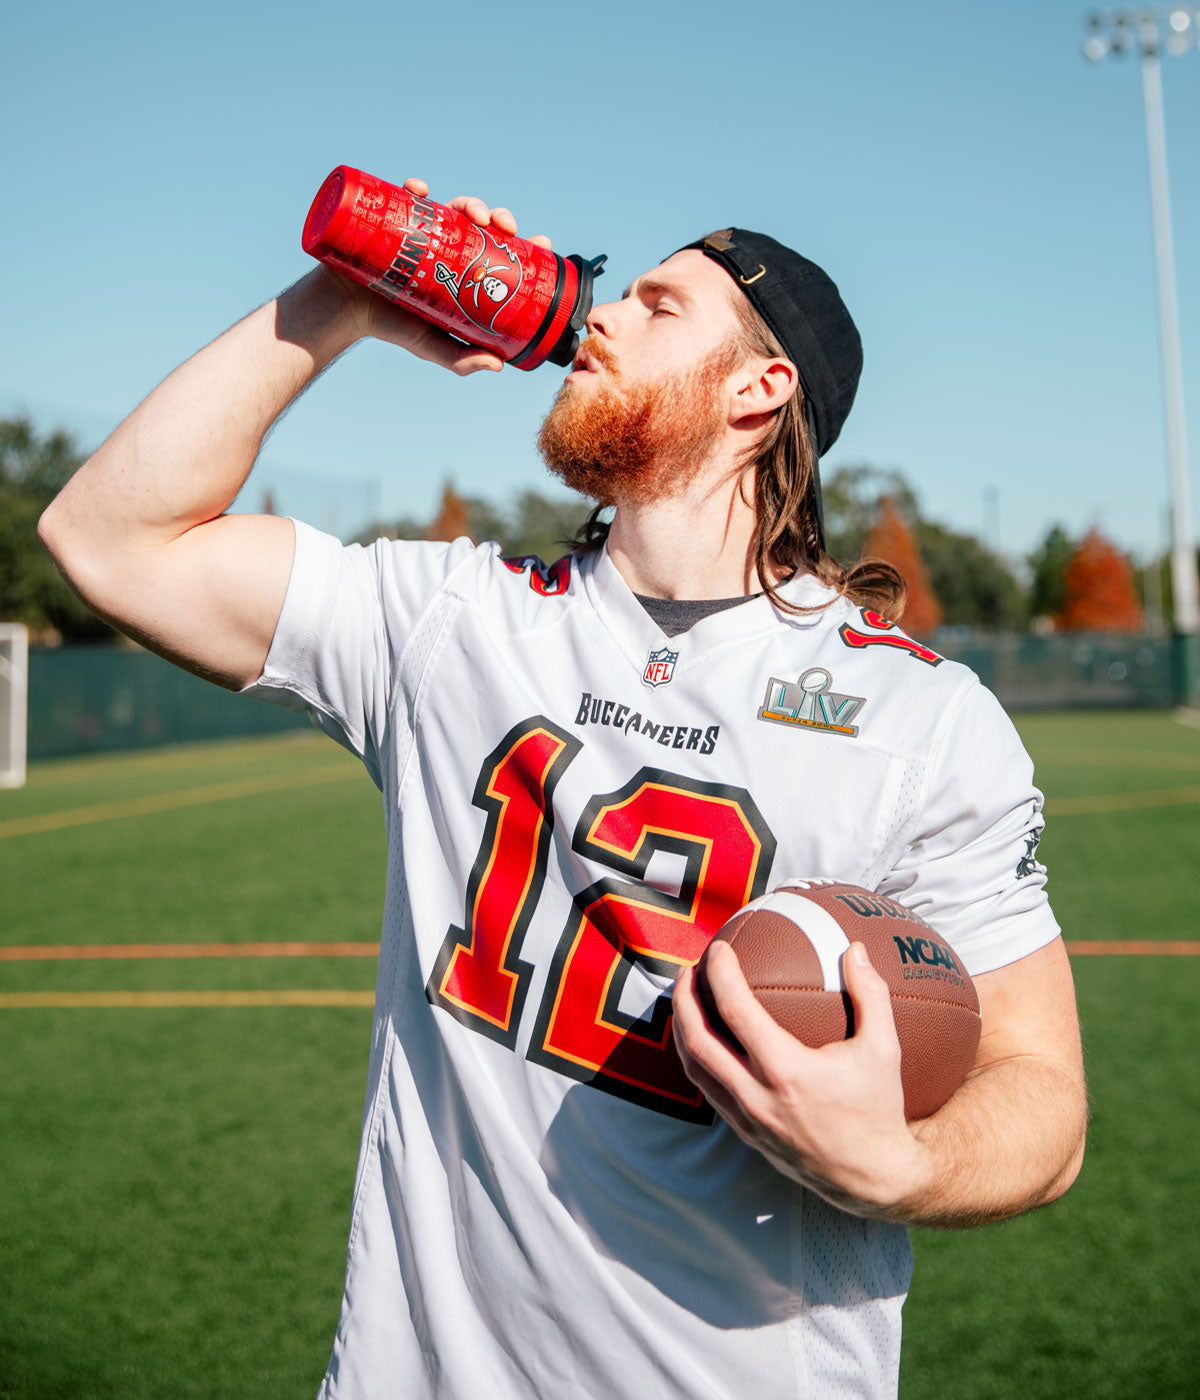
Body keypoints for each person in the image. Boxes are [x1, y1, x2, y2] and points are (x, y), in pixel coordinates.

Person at [39, 178, 1087, 1400]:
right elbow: (108, 539)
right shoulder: (446, 618)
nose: (599, 319)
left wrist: (900, 1165)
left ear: (759, 391)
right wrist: (346, 298)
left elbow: (1043, 1094)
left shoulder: (920, 719)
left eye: (656, 306)